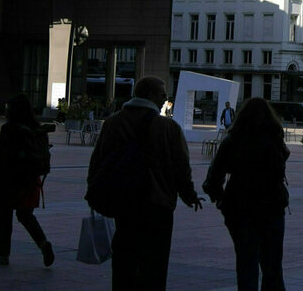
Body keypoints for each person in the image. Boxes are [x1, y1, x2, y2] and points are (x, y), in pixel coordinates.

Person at [88, 76, 204, 290]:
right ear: (150, 95)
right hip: (157, 204)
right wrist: (189, 195)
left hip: (123, 203)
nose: (165, 99)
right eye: (163, 94)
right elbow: (181, 166)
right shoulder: (168, 127)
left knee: (124, 259)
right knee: (155, 264)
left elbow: (97, 161)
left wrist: (95, 192)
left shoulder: (113, 123)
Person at [203, 97, 290, 291]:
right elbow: (281, 164)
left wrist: (219, 199)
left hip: (240, 207)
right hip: (272, 207)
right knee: (272, 266)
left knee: (246, 264)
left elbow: (215, 174)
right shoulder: (275, 139)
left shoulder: (233, 140)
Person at [0, 94, 54, 267]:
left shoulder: (9, 129)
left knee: (5, 218)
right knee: (26, 215)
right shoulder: (37, 128)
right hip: (30, 179)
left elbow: (1, 157)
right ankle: (43, 243)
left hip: (9, 179)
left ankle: (3, 254)